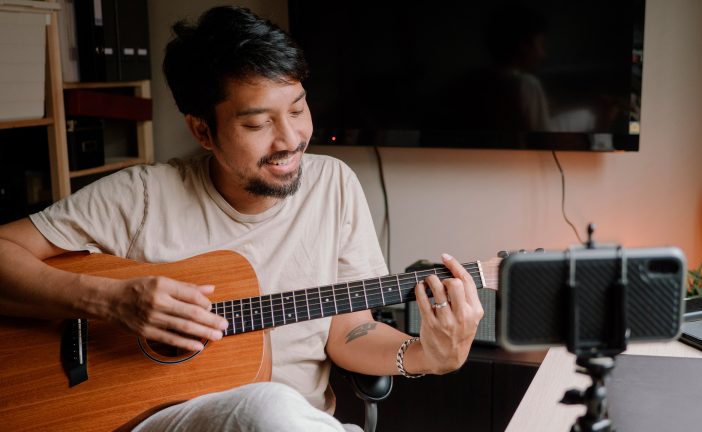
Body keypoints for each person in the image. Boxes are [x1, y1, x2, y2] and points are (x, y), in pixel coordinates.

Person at [0, 6, 483, 431]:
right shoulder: (140, 196)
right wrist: (109, 299)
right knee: (267, 406)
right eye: (256, 124)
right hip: (152, 417)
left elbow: (347, 331)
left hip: (297, 422)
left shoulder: (334, 184)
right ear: (202, 130)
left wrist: (428, 355)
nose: (290, 139)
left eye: (298, 109)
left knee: (276, 410)